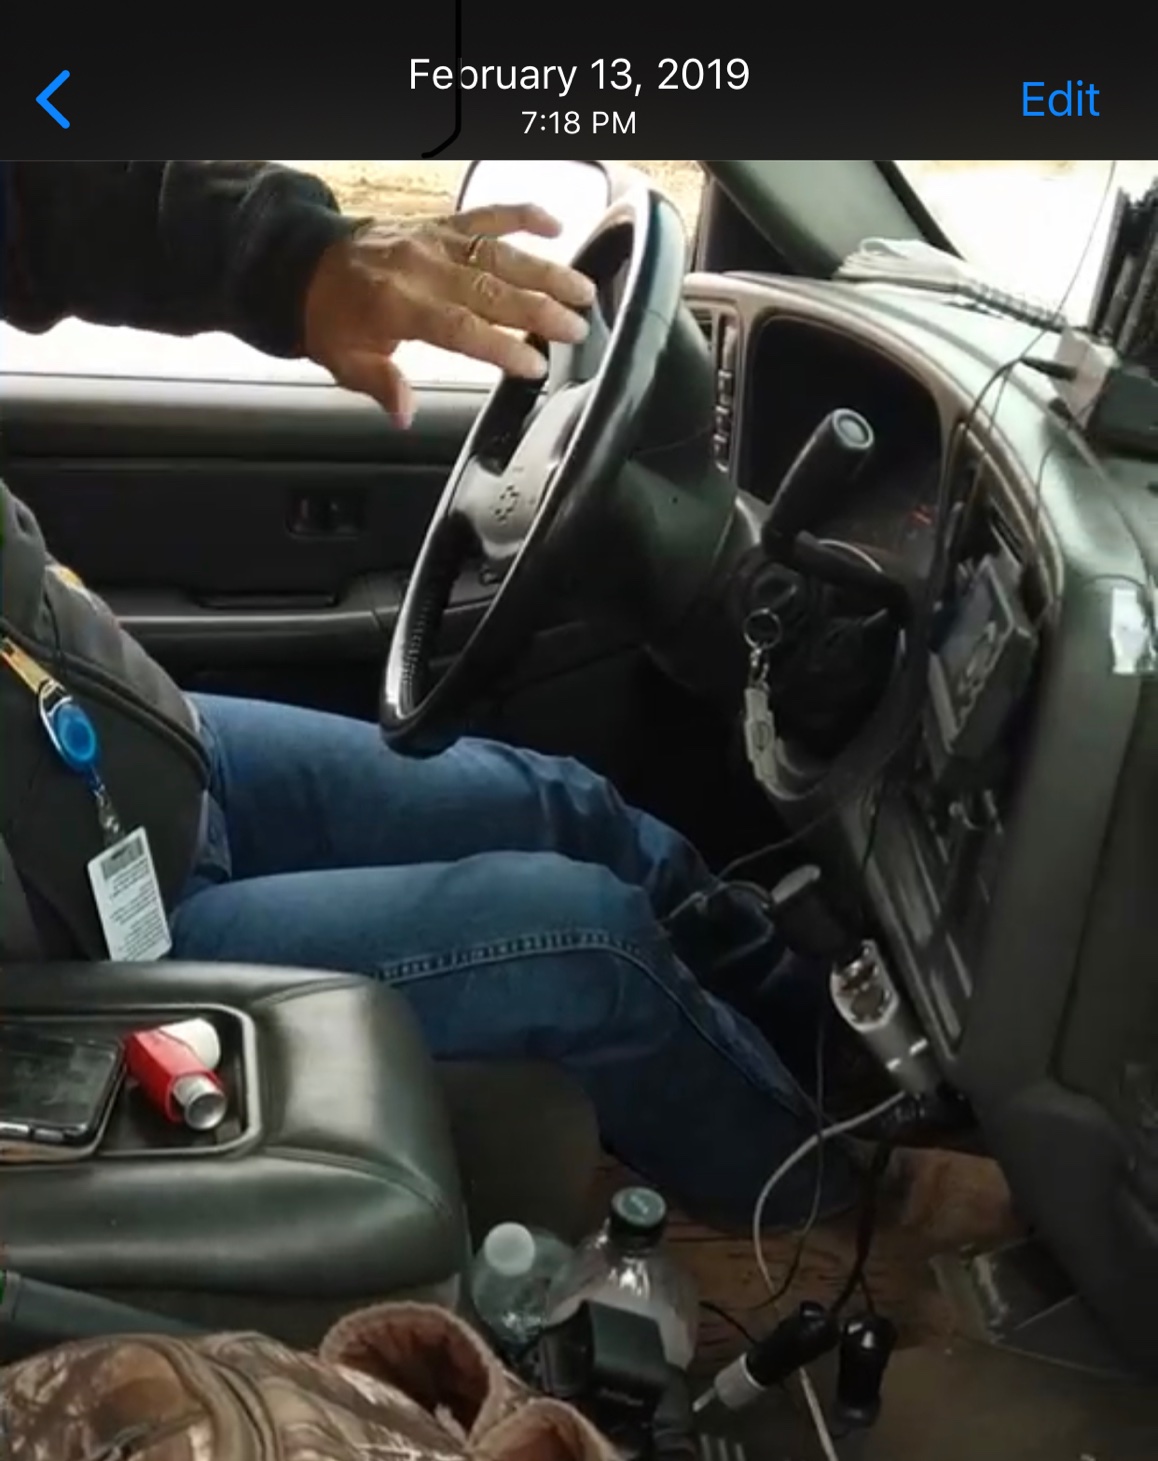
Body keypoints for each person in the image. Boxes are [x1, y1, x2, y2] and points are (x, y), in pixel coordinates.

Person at [0, 161, 853, 1227]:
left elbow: (39, 202)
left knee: (570, 807)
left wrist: (302, 259)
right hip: (78, 949)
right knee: (588, 944)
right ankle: (842, 1199)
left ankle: (840, 1067)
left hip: (129, 739)